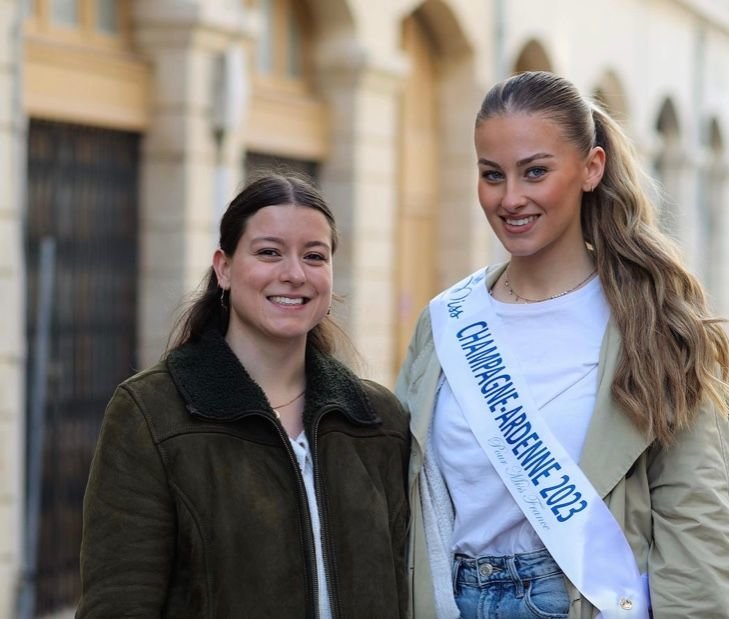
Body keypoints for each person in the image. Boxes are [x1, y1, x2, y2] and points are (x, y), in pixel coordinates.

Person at [396, 71, 729, 619]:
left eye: (535, 172)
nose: (510, 198)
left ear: (591, 168)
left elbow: (695, 520)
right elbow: (404, 488)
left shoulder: (653, 321)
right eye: (491, 175)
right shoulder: (446, 323)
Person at [76, 173, 410, 618]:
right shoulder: (151, 412)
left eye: (314, 256)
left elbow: (408, 589)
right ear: (224, 268)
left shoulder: (377, 420)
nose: (293, 274)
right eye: (269, 252)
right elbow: (118, 604)